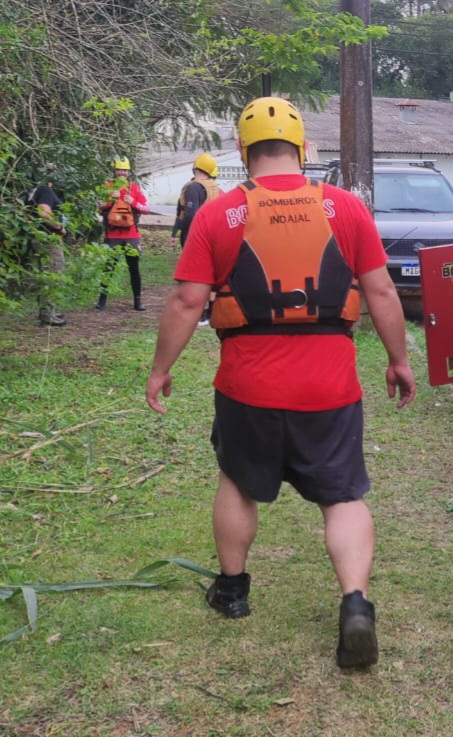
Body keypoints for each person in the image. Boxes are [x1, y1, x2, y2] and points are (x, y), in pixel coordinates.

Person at [145, 96, 415, 669]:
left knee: (238, 482)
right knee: (343, 496)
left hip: (249, 384)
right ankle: (356, 604)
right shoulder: (345, 207)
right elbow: (382, 292)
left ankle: (234, 591)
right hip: (331, 384)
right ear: (301, 148)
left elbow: (188, 299)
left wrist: (161, 368)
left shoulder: (218, 214)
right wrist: (400, 360)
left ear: (243, 152)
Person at [171, 152, 222, 325]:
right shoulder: (214, 187)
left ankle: (199, 314)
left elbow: (191, 215)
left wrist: (189, 237)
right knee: (211, 274)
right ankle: (212, 311)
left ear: (195, 167)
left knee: (196, 276)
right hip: (214, 235)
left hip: (197, 238)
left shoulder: (194, 187)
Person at [97, 157, 152, 311]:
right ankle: (102, 300)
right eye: (119, 169)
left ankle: (138, 301)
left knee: (134, 268)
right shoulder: (107, 186)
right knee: (108, 267)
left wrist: (132, 201)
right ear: (114, 171)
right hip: (112, 235)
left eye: (125, 170)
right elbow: (99, 207)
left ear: (128, 172)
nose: (122, 173)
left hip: (131, 235)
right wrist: (109, 200)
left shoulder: (134, 187)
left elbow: (146, 208)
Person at [27, 181, 68, 327]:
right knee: (53, 273)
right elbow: (43, 212)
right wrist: (59, 227)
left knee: (46, 274)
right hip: (48, 238)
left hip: (37, 237)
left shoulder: (32, 193)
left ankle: (48, 310)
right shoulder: (45, 191)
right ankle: (48, 314)